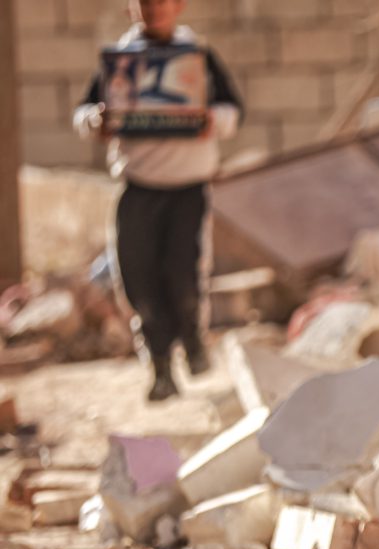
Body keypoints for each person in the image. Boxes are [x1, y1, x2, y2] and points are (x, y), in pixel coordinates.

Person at [73, 0, 244, 401]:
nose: (153, 9)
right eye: (144, 2)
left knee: (184, 277)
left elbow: (233, 111)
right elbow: (85, 113)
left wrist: (209, 121)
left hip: (188, 189)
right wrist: (95, 121)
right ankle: (160, 366)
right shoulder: (121, 63)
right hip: (138, 188)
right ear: (130, 8)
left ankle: (193, 342)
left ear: (178, 6)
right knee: (139, 281)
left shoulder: (199, 57)